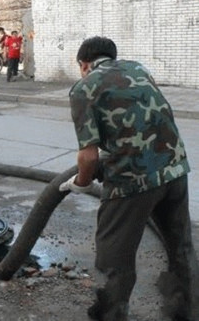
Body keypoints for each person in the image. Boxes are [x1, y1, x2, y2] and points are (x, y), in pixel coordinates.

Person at [60, 36, 199, 321]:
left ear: (83, 64)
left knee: (114, 260)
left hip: (132, 182)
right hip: (174, 170)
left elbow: (87, 156)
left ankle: (111, 315)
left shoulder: (84, 88)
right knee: (181, 248)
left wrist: (81, 182)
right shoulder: (138, 69)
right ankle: (186, 311)